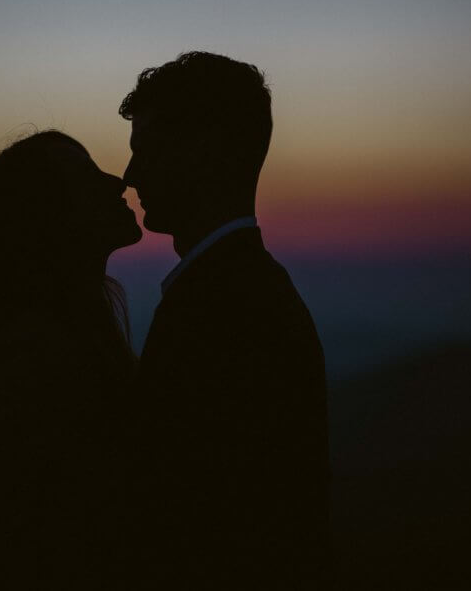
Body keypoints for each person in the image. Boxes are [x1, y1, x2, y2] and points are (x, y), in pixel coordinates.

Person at [120, 51, 332, 589]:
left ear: (205, 151)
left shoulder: (224, 311)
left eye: (147, 150)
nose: (130, 174)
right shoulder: (243, 291)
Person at [0, 130, 141, 590]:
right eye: (86, 177)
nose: (117, 182)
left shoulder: (59, 348)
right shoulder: (40, 369)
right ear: (45, 220)